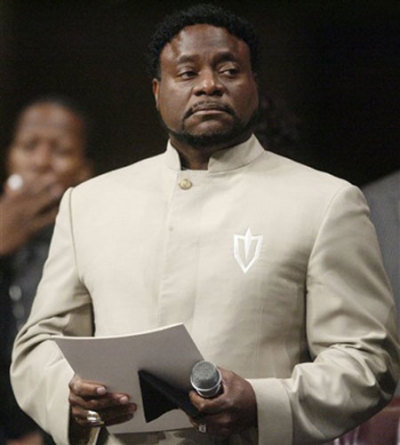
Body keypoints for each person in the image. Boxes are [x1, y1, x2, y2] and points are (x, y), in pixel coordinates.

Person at [10, 5, 400, 445]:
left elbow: (367, 359)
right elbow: (40, 342)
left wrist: (262, 401)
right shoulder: (89, 203)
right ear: (158, 91)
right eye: (187, 72)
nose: (209, 84)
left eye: (229, 70)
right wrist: (71, 395)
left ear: (254, 85)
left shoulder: (324, 201)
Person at [0, 97, 92, 444]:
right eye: (28, 146)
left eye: (60, 150)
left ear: (84, 169)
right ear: (10, 156)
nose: (40, 162)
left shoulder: (96, 240)